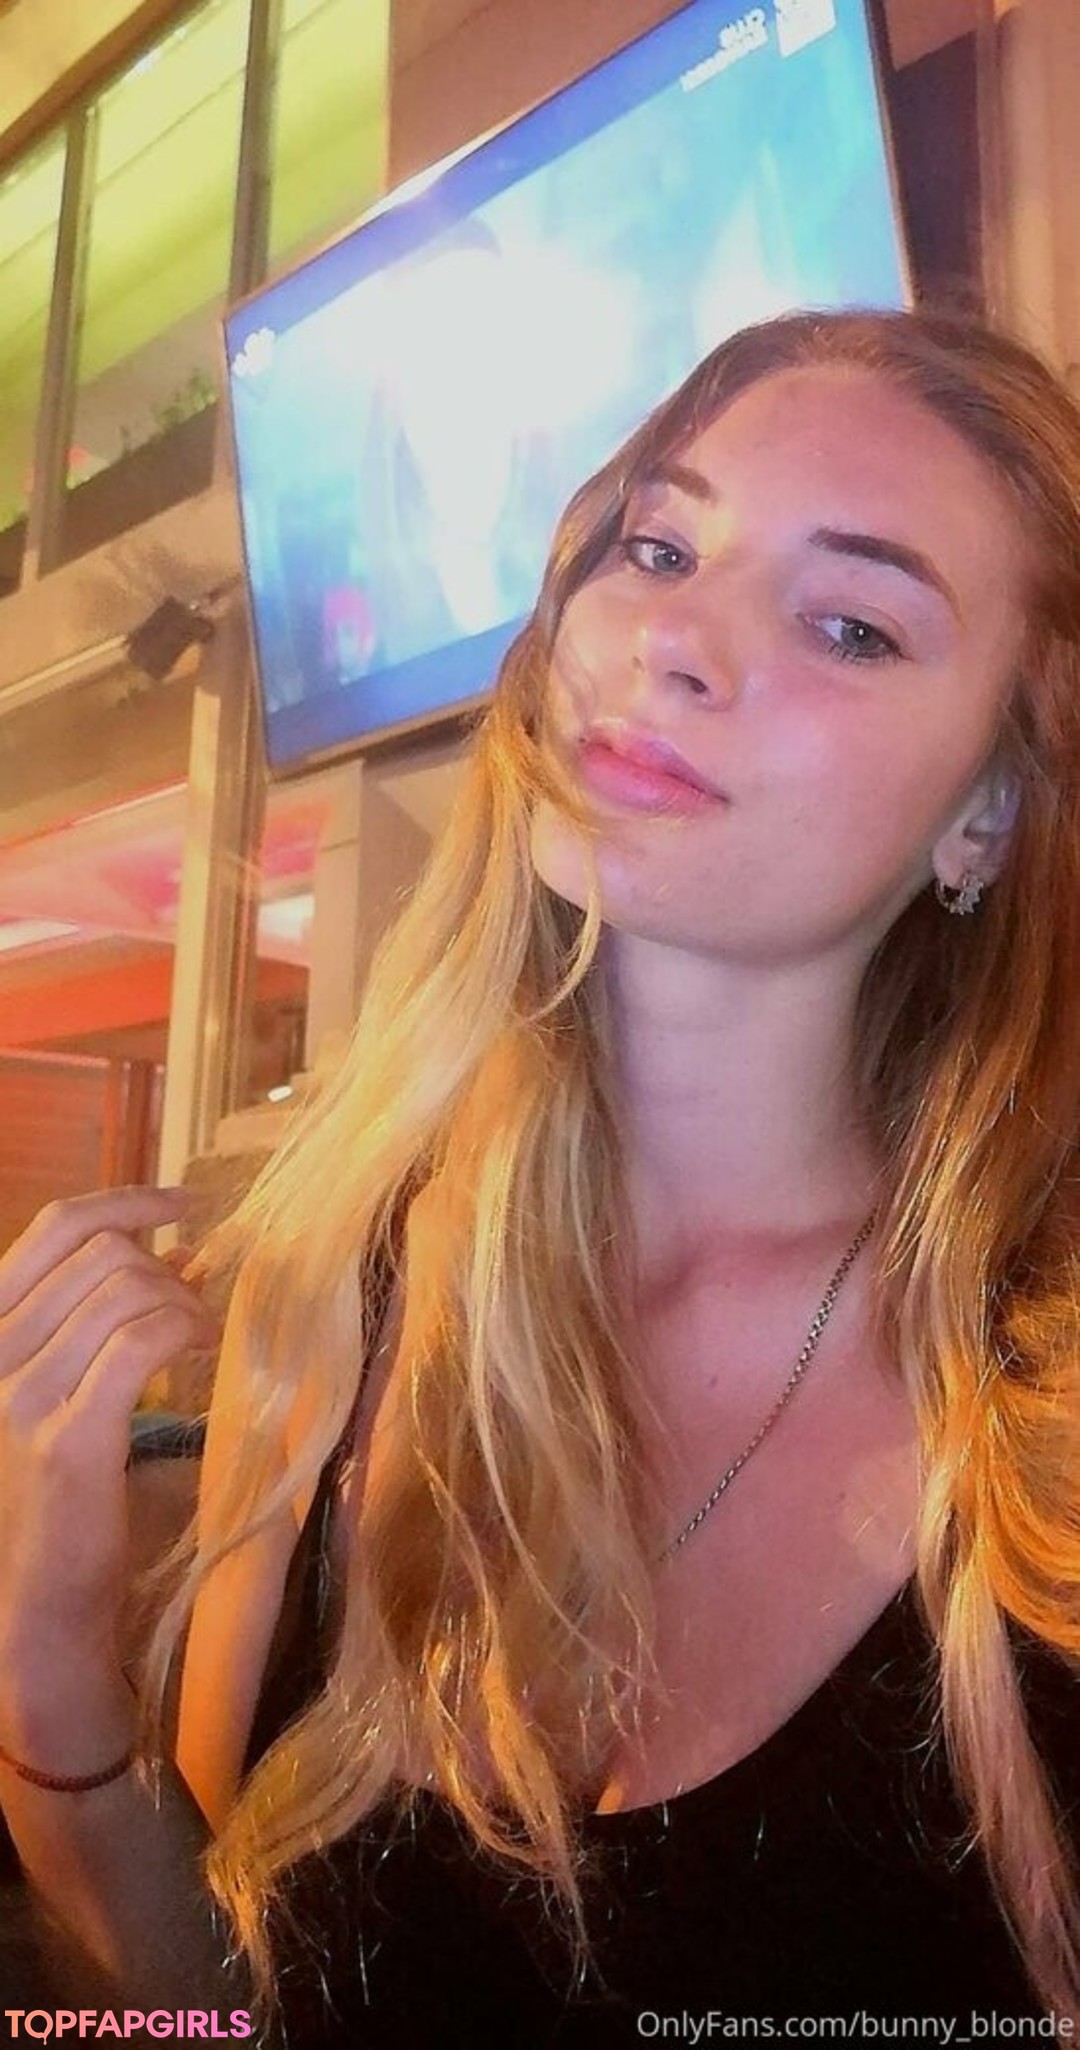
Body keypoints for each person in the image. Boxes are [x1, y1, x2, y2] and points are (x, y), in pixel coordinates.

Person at [0, 305, 1078, 2044]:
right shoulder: (337, 1291)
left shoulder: (1038, 1420)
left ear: (990, 813)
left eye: (852, 623)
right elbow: (213, 2016)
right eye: (659, 546)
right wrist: (55, 1698)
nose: (674, 640)